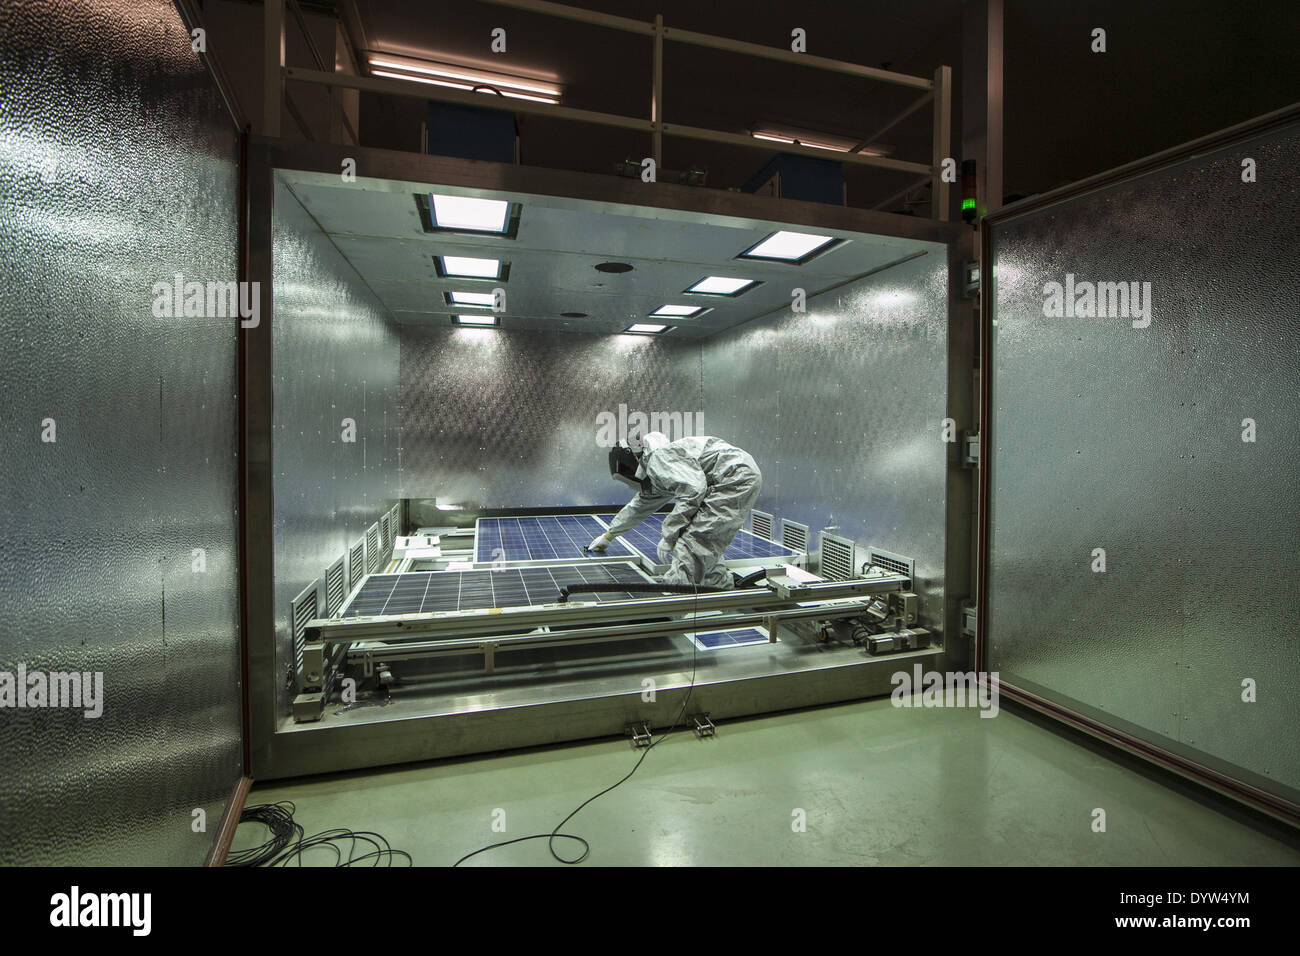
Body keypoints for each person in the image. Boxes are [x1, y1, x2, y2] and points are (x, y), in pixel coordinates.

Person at [588, 432, 763, 589]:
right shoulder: (659, 467)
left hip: (733, 477)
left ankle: (676, 601)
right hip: (733, 475)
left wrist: (669, 536)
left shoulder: (659, 458)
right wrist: (609, 535)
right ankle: (717, 590)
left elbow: (693, 490)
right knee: (705, 539)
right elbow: (639, 507)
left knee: (695, 540)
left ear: (633, 462)